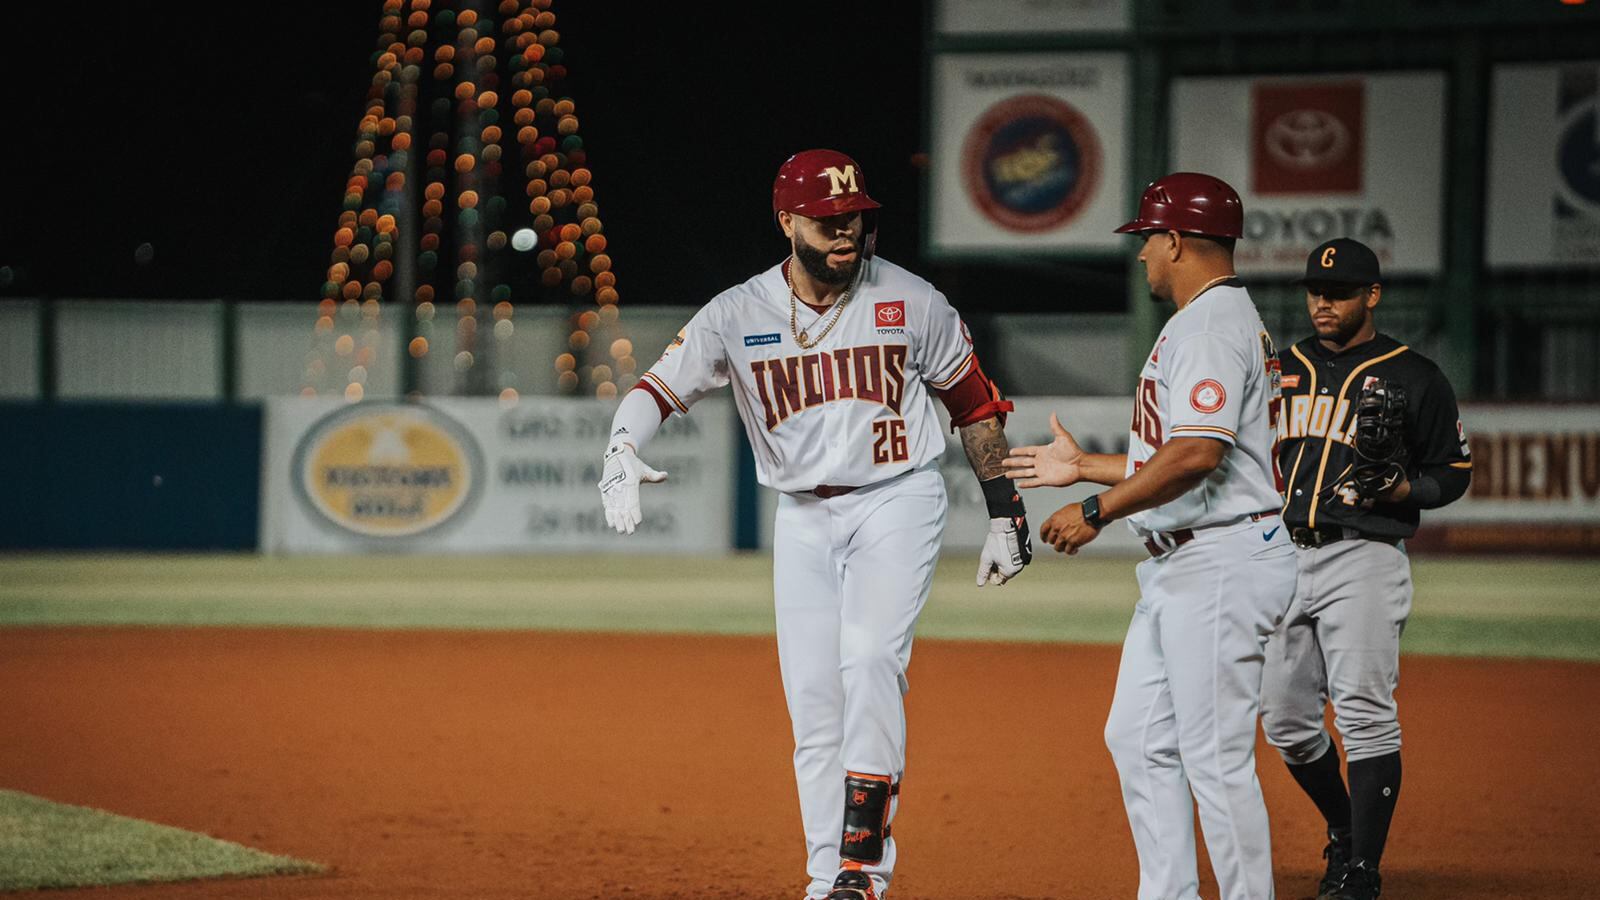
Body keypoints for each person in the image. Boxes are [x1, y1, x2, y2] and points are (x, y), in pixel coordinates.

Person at [596, 149, 1032, 900]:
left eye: (855, 217)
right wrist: (621, 445)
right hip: (800, 514)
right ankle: (826, 877)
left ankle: (862, 870)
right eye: (828, 221)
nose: (846, 232)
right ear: (787, 222)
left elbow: (974, 406)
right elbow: (657, 389)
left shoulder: (911, 299)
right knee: (814, 705)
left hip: (897, 497)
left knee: (869, 659)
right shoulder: (737, 312)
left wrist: (1006, 511)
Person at [1003, 173, 1295, 900]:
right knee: (1137, 737)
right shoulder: (1212, 318)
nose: (1141, 256)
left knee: (1215, 758)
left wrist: (1098, 509)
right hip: (1191, 558)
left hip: (1221, 557)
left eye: (1147, 241)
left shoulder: (1209, 326)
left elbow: (1197, 454)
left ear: (1176, 240)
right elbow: (1182, 452)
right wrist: (1085, 467)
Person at [1260, 237, 1472, 900]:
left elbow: (1453, 472)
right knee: (1285, 719)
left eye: (1340, 293)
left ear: (1372, 295)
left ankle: (1362, 871)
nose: (1323, 303)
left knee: (1364, 713)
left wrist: (1406, 489)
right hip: (1283, 554)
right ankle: (1346, 828)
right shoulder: (1281, 368)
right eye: (1316, 292)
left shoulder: (1417, 377)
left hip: (1365, 553)